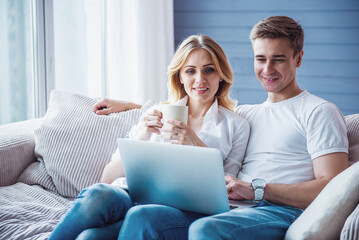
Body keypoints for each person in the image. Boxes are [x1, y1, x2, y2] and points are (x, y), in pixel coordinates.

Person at [94, 16, 349, 240]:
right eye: (260, 59)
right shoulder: (248, 114)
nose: (267, 69)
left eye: (278, 59)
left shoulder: (319, 111)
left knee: (205, 230)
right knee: (140, 217)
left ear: (298, 58)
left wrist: (257, 189)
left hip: (278, 211)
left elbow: (335, 189)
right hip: (232, 208)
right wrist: (130, 106)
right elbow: (198, 103)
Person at [48, 34, 250, 240]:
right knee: (97, 194)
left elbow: (225, 194)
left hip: (182, 211)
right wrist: (143, 134)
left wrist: (195, 144)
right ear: (180, 76)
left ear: (221, 75)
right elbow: (107, 178)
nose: (200, 79)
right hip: (134, 198)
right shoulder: (157, 113)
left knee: (89, 238)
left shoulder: (235, 125)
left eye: (209, 70)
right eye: (190, 71)